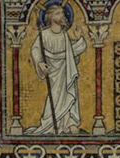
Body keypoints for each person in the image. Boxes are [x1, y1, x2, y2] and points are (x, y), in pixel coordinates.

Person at [29, 0, 89, 135]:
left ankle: (69, 123)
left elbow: (70, 52)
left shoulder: (64, 34)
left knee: (69, 93)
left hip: (65, 69)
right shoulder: (44, 34)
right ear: (50, 17)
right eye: (58, 13)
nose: (62, 16)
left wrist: (79, 39)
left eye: (62, 13)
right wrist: (39, 62)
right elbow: (35, 49)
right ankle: (50, 124)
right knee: (55, 96)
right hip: (52, 71)